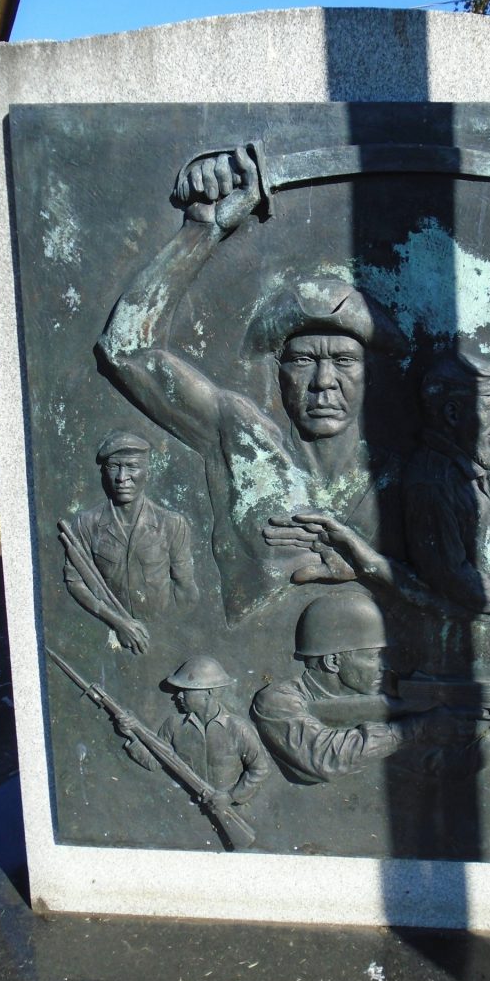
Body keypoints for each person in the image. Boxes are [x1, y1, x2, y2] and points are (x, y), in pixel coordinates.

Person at [95, 147, 406, 622]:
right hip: (237, 667)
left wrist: (368, 566)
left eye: (344, 361)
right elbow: (125, 351)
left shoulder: (410, 468)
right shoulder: (240, 435)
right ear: (277, 370)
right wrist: (202, 230)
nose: (324, 383)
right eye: (303, 361)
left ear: (372, 373)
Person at [266, 350, 490, 672]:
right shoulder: (433, 481)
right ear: (452, 412)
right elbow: (449, 575)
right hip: (450, 661)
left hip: (477, 651)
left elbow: (482, 549)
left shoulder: (465, 475)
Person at [251, 590, 467, 784]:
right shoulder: (276, 701)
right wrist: (415, 729)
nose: (384, 665)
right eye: (374, 656)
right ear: (333, 662)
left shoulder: (397, 687)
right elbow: (323, 757)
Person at [61, 431, 199, 654]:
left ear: (147, 472)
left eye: (132, 466)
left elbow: (185, 589)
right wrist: (118, 623)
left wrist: (171, 634)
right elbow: (76, 582)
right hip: (106, 633)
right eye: (114, 467)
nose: (122, 477)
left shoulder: (172, 524)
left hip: (161, 633)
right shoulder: (86, 523)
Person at [117, 655, 270, 811]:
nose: (179, 695)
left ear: (210, 692)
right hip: (185, 811)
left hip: (227, 809)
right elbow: (154, 762)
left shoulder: (238, 729)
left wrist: (231, 797)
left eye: (186, 690)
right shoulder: (173, 725)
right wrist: (132, 735)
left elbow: (260, 769)